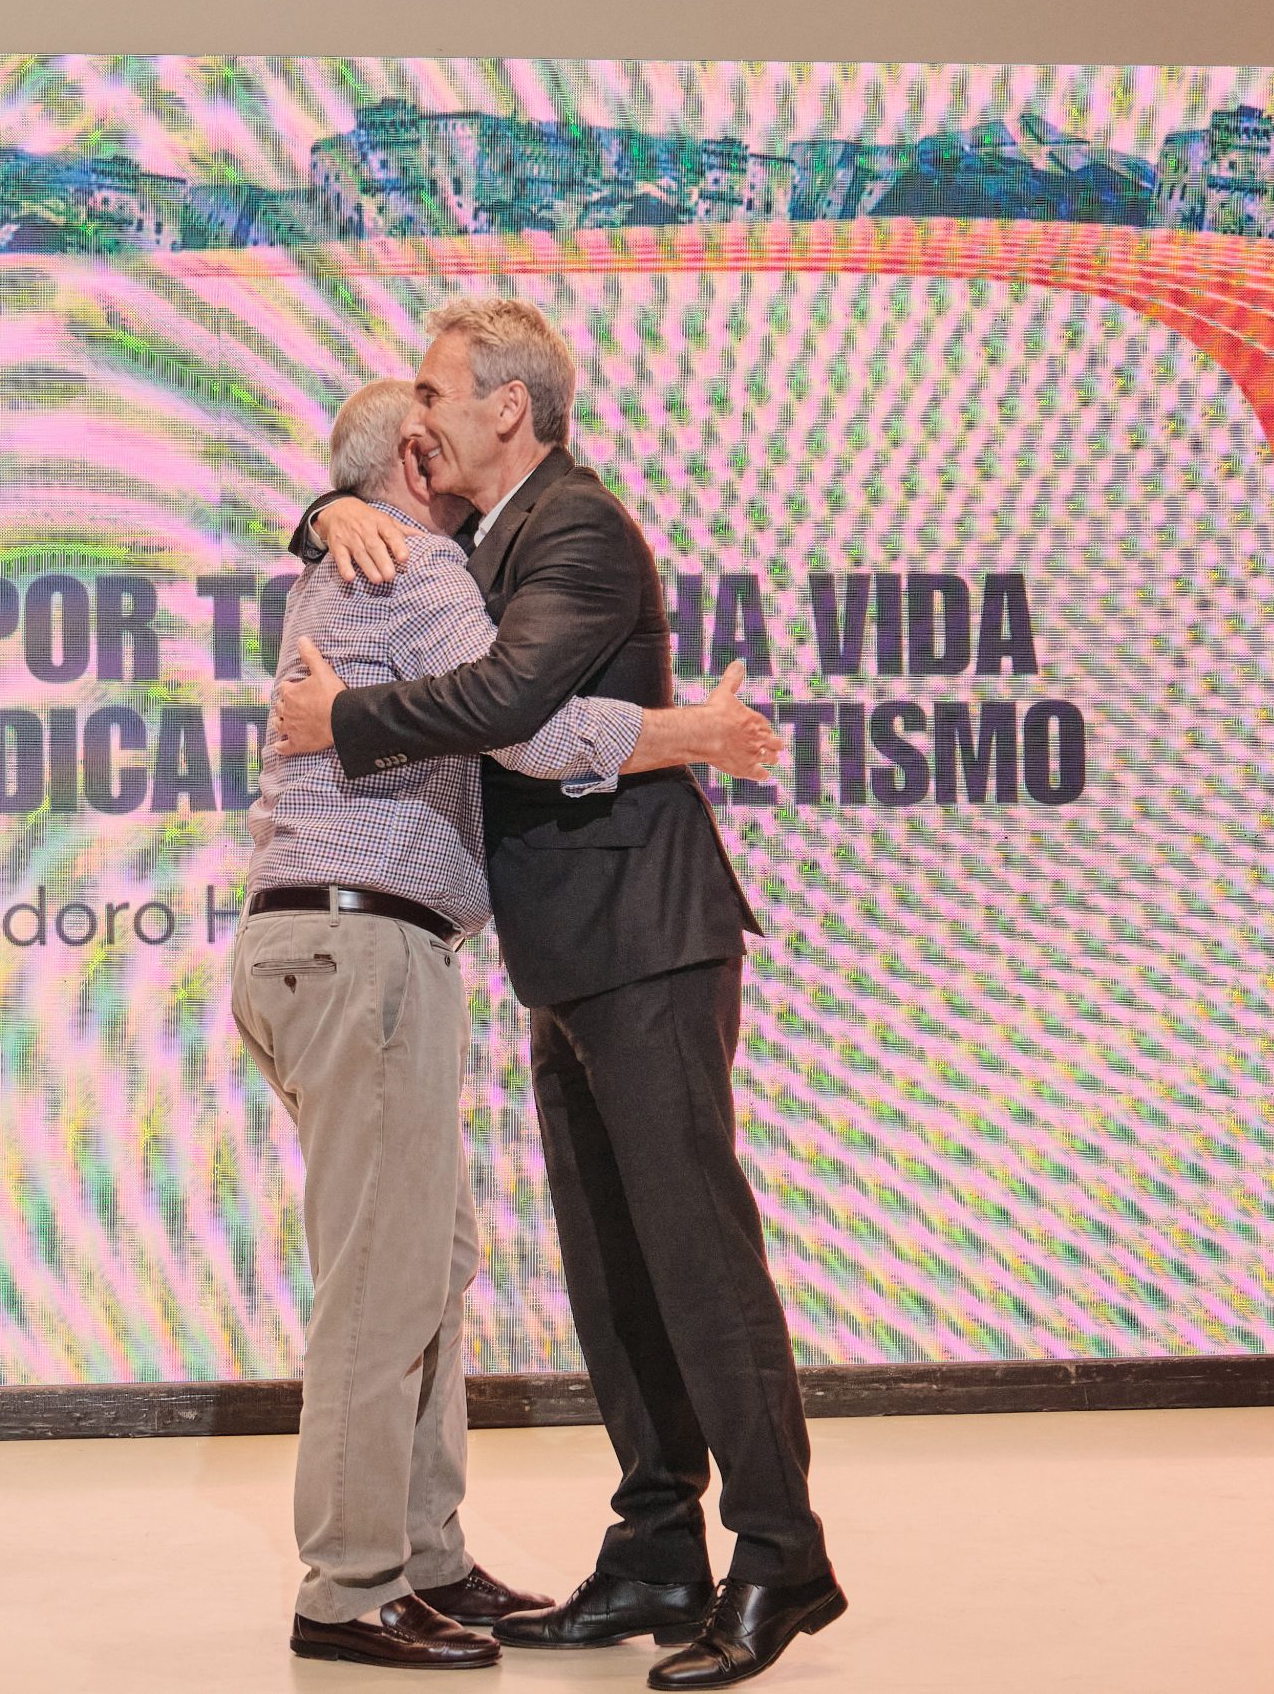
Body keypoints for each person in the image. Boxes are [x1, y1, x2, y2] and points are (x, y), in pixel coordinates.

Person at [275, 299, 845, 1690]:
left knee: (696, 1254)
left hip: (645, 934)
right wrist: (322, 514)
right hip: (568, 953)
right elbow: (392, 551)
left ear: (507, 408)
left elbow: (511, 700)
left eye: (435, 393)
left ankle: (781, 1553)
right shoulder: (477, 539)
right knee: (611, 1269)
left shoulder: (575, 525)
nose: (419, 416)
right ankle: (658, 1546)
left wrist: (341, 719)